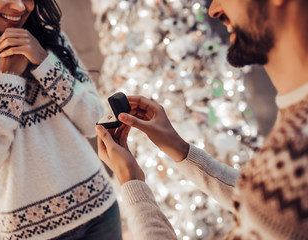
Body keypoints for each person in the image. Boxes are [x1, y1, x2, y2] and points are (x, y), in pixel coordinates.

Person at [95, 0, 308, 239]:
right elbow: (265, 200)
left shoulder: (294, 154)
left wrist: (131, 182)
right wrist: (180, 149)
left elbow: (272, 203)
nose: (214, 9)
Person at [0, 0, 122, 239]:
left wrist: (43, 61)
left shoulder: (54, 42)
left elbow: (94, 119)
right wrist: (7, 77)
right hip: (32, 232)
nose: (20, 6)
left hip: (100, 209)